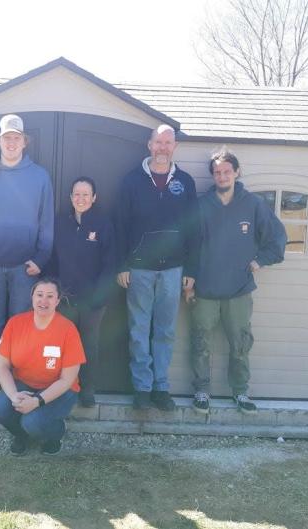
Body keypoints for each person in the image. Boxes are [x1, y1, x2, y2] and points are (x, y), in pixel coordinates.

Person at [187, 148, 286, 415]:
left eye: (226, 171)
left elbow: (277, 238)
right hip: (205, 289)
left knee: (241, 343)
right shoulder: (201, 205)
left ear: (236, 172)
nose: (222, 176)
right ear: (213, 176)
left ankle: (240, 392)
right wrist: (189, 279)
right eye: (217, 172)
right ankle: (202, 391)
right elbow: (188, 244)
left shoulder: (252, 204)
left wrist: (259, 260)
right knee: (200, 343)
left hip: (239, 290)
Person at [0, 114, 54, 408]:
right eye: (7, 137)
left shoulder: (39, 175)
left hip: (24, 267)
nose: (12, 142)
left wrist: (41, 258)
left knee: (19, 328)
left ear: (24, 141)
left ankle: (17, 386)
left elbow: (46, 221)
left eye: (17, 137)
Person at [115, 124, 200, 410]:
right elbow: (120, 226)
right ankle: (141, 388)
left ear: (174, 146)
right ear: (149, 145)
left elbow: (194, 229)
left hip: (173, 270)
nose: (163, 147)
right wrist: (123, 264)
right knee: (139, 330)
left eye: (168, 142)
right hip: (139, 269)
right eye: (158, 142)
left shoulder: (185, 182)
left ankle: (160, 388)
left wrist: (191, 270)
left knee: (165, 331)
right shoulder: (132, 181)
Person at [0, 278, 85, 455]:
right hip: (24, 383)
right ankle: (21, 435)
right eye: (39, 295)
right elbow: (1, 366)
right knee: (0, 409)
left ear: (57, 301)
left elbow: (67, 380)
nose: (44, 301)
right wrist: (13, 396)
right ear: (32, 297)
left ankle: (55, 433)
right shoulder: (15, 324)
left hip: (59, 389)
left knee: (32, 422)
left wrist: (37, 401)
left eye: (50, 296)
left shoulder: (67, 329)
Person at [48, 177, 116, 407]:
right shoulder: (60, 223)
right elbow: (52, 259)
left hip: (92, 301)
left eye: (86, 194)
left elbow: (110, 264)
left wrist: (100, 295)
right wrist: (53, 291)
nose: (81, 199)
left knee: (88, 345)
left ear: (94, 198)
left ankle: (87, 389)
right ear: (70, 197)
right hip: (65, 298)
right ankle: (61, 388)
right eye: (76, 194)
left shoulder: (103, 225)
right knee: (61, 345)